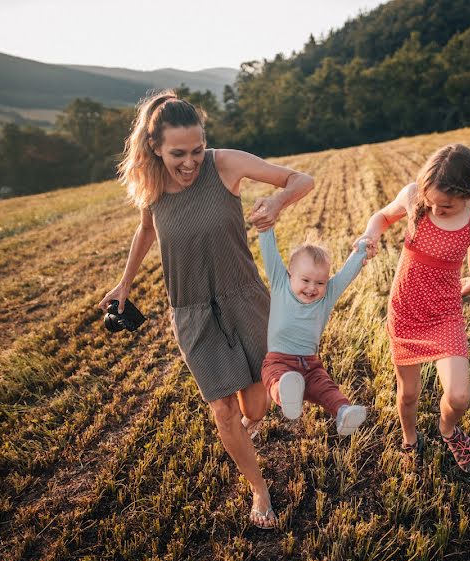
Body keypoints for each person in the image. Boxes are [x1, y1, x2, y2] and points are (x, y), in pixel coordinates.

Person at [97, 90, 314, 528]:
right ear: (155, 147)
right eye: (178, 153)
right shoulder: (151, 182)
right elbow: (146, 232)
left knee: (256, 408)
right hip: (192, 311)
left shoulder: (223, 164)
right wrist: (124, 282)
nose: (190, 162)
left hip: (246, 300)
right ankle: (260, 491)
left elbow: (301, 179)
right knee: (224, 411)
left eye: (197, 149)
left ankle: (261, 417)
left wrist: (275, 203)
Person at [356, 143, 470, 473]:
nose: (435, 209)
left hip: (444, 312)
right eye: (430, 203)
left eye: (445, 205)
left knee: (459, 396)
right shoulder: (414, 195)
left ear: (469, 193)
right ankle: (410, 439)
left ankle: (448, 431)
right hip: (405, 309)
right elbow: (383, 216)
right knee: (408, 395)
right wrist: (371, 234)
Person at [257, 227, 369, 435]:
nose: (312, 288)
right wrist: (265, 227)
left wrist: (361, 251)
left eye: (320, 283)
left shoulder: (326, 297)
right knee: (274, 377)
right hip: (279, 360)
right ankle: (286, 394)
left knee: (326, 388)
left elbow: (346, 275)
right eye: (305, 280)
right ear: (290, 273)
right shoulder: (281, 283)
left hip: (310, 365)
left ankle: (343, 413)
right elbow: (269, 250)